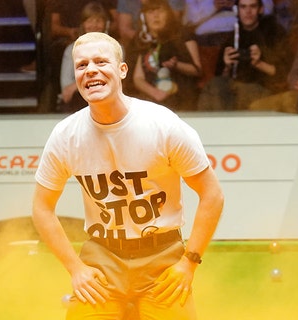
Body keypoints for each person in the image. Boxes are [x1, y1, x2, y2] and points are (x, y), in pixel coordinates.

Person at [32, 32, 223, 319]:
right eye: (82, 65)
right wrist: (76, 269)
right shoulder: (65, 135)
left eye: (100, 61)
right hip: (102, 258)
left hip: (162, 257)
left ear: (122, 70)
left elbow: (212, 195)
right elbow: (41, 207)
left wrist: (188, 263)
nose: (91, 70)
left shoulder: (163, 125)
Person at [196, 0, 290, 110]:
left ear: (261, 9)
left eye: (252, 6)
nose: (248, 11)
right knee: (215, 85)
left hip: (261, 88)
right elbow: (220, 77)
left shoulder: (273, 34)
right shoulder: (233, 37)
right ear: (237, 10)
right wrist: (227, 66)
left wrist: (259, 63)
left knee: (223, 91)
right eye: (243, 7)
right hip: (231, 88)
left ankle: (220, 123)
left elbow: (283, 75)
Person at [129, 0, 203, 110]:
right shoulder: (141, 40)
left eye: (160, 11)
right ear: (144, 18)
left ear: (169, 15)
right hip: (151, 98)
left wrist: (177, 65)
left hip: (181, 94)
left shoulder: (184, 35)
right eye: (150, 12)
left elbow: (197, 70)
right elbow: (138, 78)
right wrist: (155, 93)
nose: (156, 16)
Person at [60, 2, 112, 112]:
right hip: (79, 101)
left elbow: (113, 80)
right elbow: (66, 88)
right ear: (83, 24)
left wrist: (76, 86)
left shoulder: (115, 48)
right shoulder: (71, 50)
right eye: (89, 21)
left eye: (98, 21)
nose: (94, 25)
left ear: (105, 24)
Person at [116, 0, 185, 46]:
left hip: (168, 42)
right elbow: (124, 30)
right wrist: (146, 40)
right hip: (139, 44)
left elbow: (172, 24)